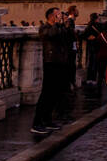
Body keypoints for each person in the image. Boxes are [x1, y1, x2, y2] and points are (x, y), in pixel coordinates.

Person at [32, 7, 76, 135]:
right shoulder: (45, 28)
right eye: (57, 14)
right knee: (46, 93)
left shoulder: (60, 28)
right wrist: (57, 24)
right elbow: (50, 35)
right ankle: (37, 122)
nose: (60, 16)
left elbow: (70, 38)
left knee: (56, 94)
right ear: (51, 16)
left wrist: (68, 25)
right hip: (51, 63)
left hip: (61, 63)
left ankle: (47, 119)